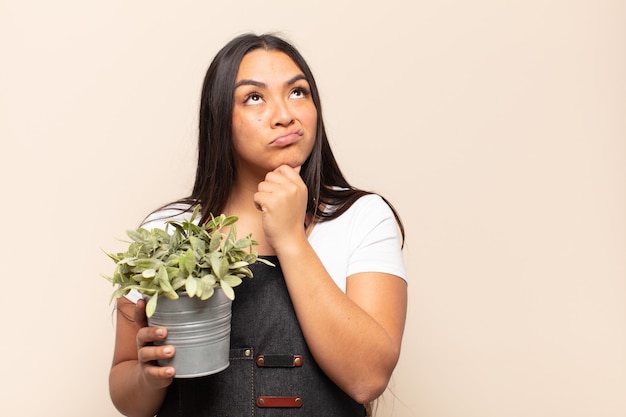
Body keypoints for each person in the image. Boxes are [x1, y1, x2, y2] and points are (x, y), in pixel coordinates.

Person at [109, 32, 407, 417]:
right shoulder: (169, 232)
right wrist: (148, 378)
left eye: (298, 92)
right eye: (254, 97)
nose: (285, 114)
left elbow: (367, 378)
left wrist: (290, 239)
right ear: (219, 118)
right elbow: (124, 388)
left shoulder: (362, 217)